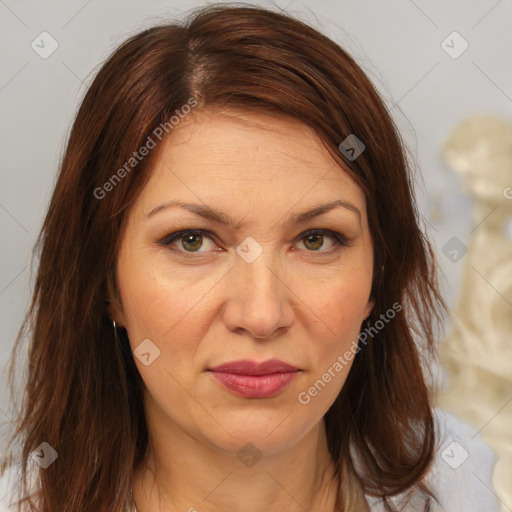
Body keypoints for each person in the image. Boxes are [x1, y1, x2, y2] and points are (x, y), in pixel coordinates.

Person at [0, 3, 501, 512]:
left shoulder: (460, 485)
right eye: (192, 240)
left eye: (316, 239)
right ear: (107, 283)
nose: (262, 315)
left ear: (379, 276)